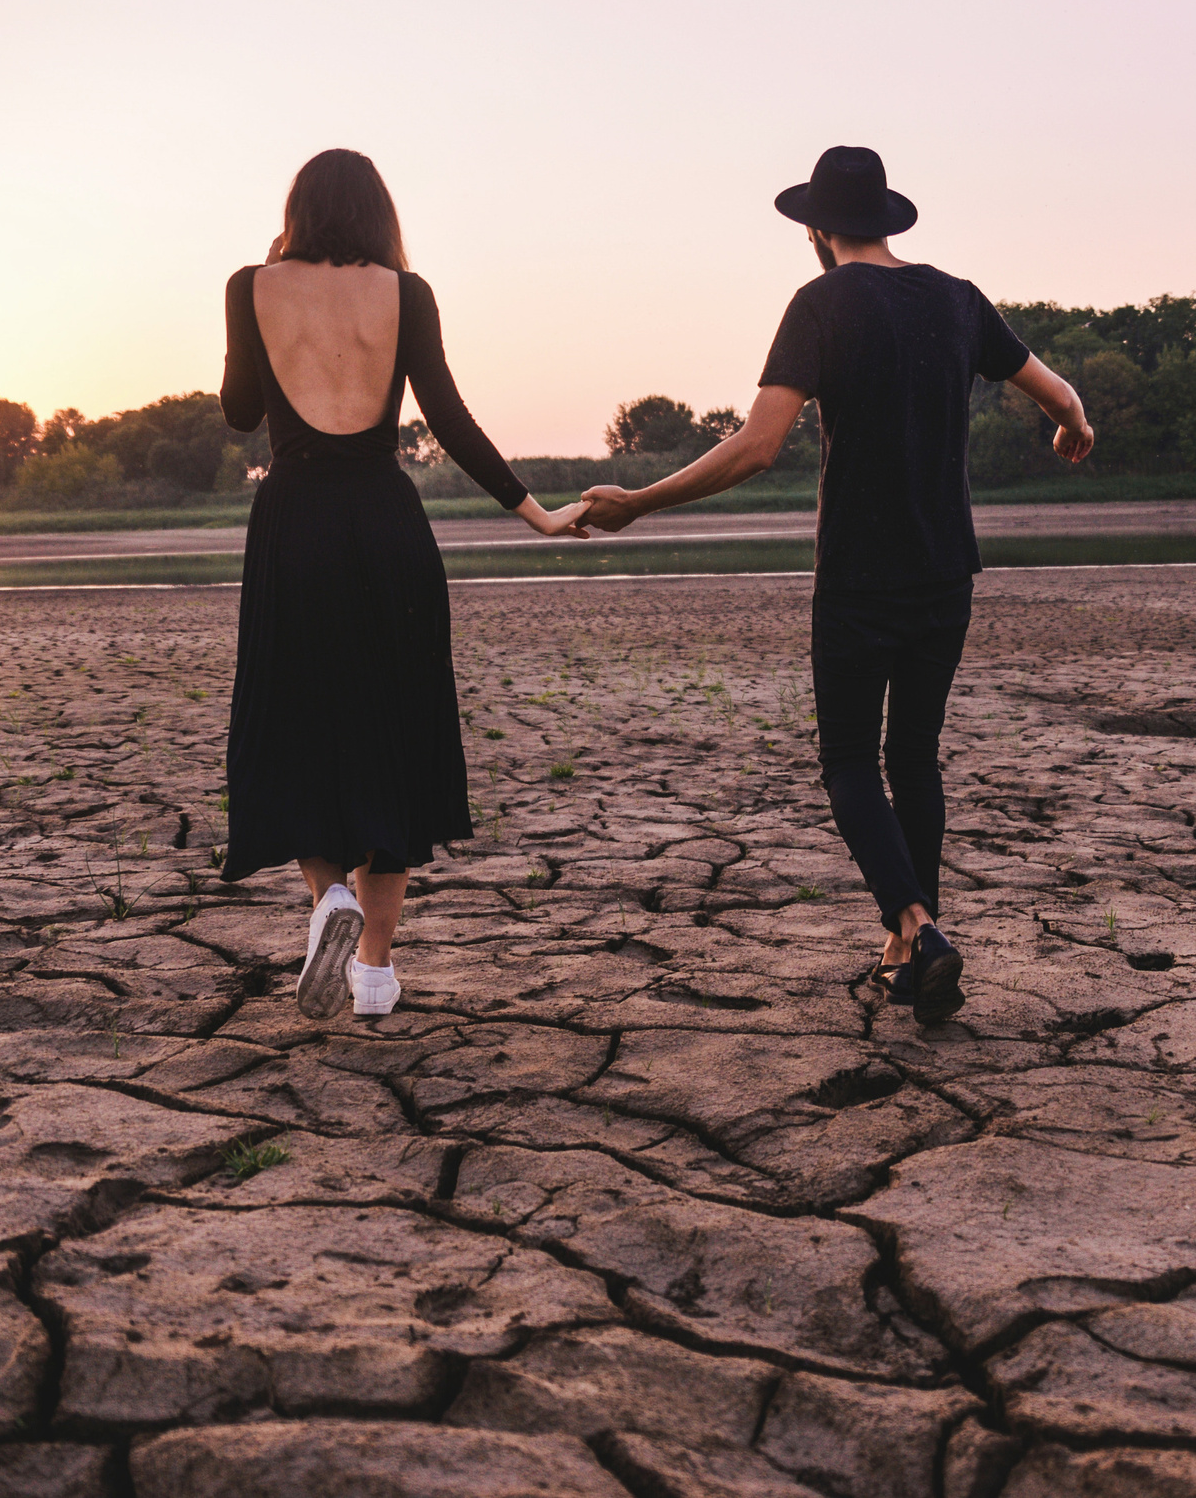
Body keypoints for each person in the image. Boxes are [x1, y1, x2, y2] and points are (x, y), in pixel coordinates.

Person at [580, 146, 1093, 1024]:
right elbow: (1057, 391)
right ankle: (908, 949)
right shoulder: (958, 298)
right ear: (887, 220)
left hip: (859, 575)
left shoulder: (819, 303)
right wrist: (1072, 425)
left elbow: (756, 446)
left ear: (817, 230)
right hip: (946, 571)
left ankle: (917, 928)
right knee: (915, 756)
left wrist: (640, 501)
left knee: (851, 761)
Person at [220, 148, 588, 1021]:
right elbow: (449, 416)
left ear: (298, 210)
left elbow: (239, 410)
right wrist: (533, 511)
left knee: (300, 720)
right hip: (387, 524)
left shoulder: (249, 285)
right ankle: (376, 976)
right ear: (379, 213)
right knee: (395, 728)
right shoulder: (407, 293)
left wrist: (267, 329)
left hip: (295, 523)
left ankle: (328, 904)